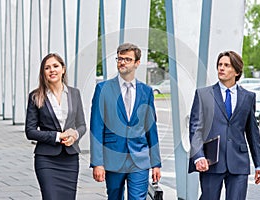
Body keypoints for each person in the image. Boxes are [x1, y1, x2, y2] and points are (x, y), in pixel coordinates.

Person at [188, 51, 260, 200]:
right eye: (220, 65)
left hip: (239, 162)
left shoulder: (248, 97)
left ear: (236, 71)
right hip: (211, 161)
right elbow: (195, 129)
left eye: (227, 65)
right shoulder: (203, 94)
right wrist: (198, 156)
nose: (221, 68)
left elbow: (252, 132)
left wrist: (259, 164)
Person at [90, 43, 161, 200]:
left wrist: (156, 163)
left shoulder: (146, 91)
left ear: (137, 63)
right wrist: (97, 163)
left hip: (140, 159)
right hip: (113, 156)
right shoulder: (103, 89)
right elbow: (97, 127)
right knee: (114, 197)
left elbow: (151, 128)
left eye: (127, 59)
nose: (122, 62)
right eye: (120, 58)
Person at [25, 53, 86, 200]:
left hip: (70, 159)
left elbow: (82, 125)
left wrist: (74, 135)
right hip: (46, 158)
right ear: (43, 72)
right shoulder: (36, 96)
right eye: (47, 68)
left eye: (55, 66)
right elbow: (30, 131)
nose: (52, 70)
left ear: (63, 69)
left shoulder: (74, 93)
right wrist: (58, 136)